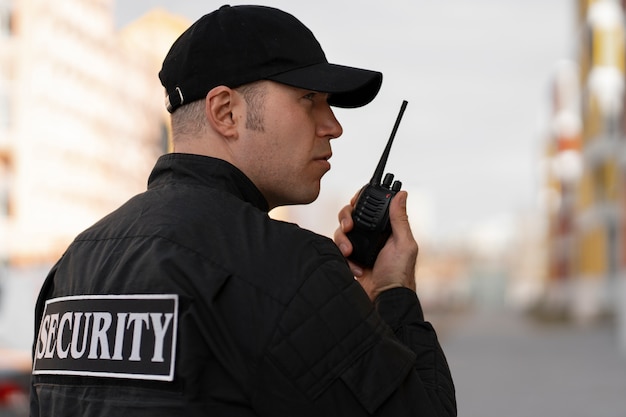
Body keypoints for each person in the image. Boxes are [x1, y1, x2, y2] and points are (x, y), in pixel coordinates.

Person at [30, 4, 456, 416]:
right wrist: (392, 291)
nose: (334, 125)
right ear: (225, 111)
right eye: (309, 99)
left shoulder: (74, 267)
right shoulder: (290, 269)